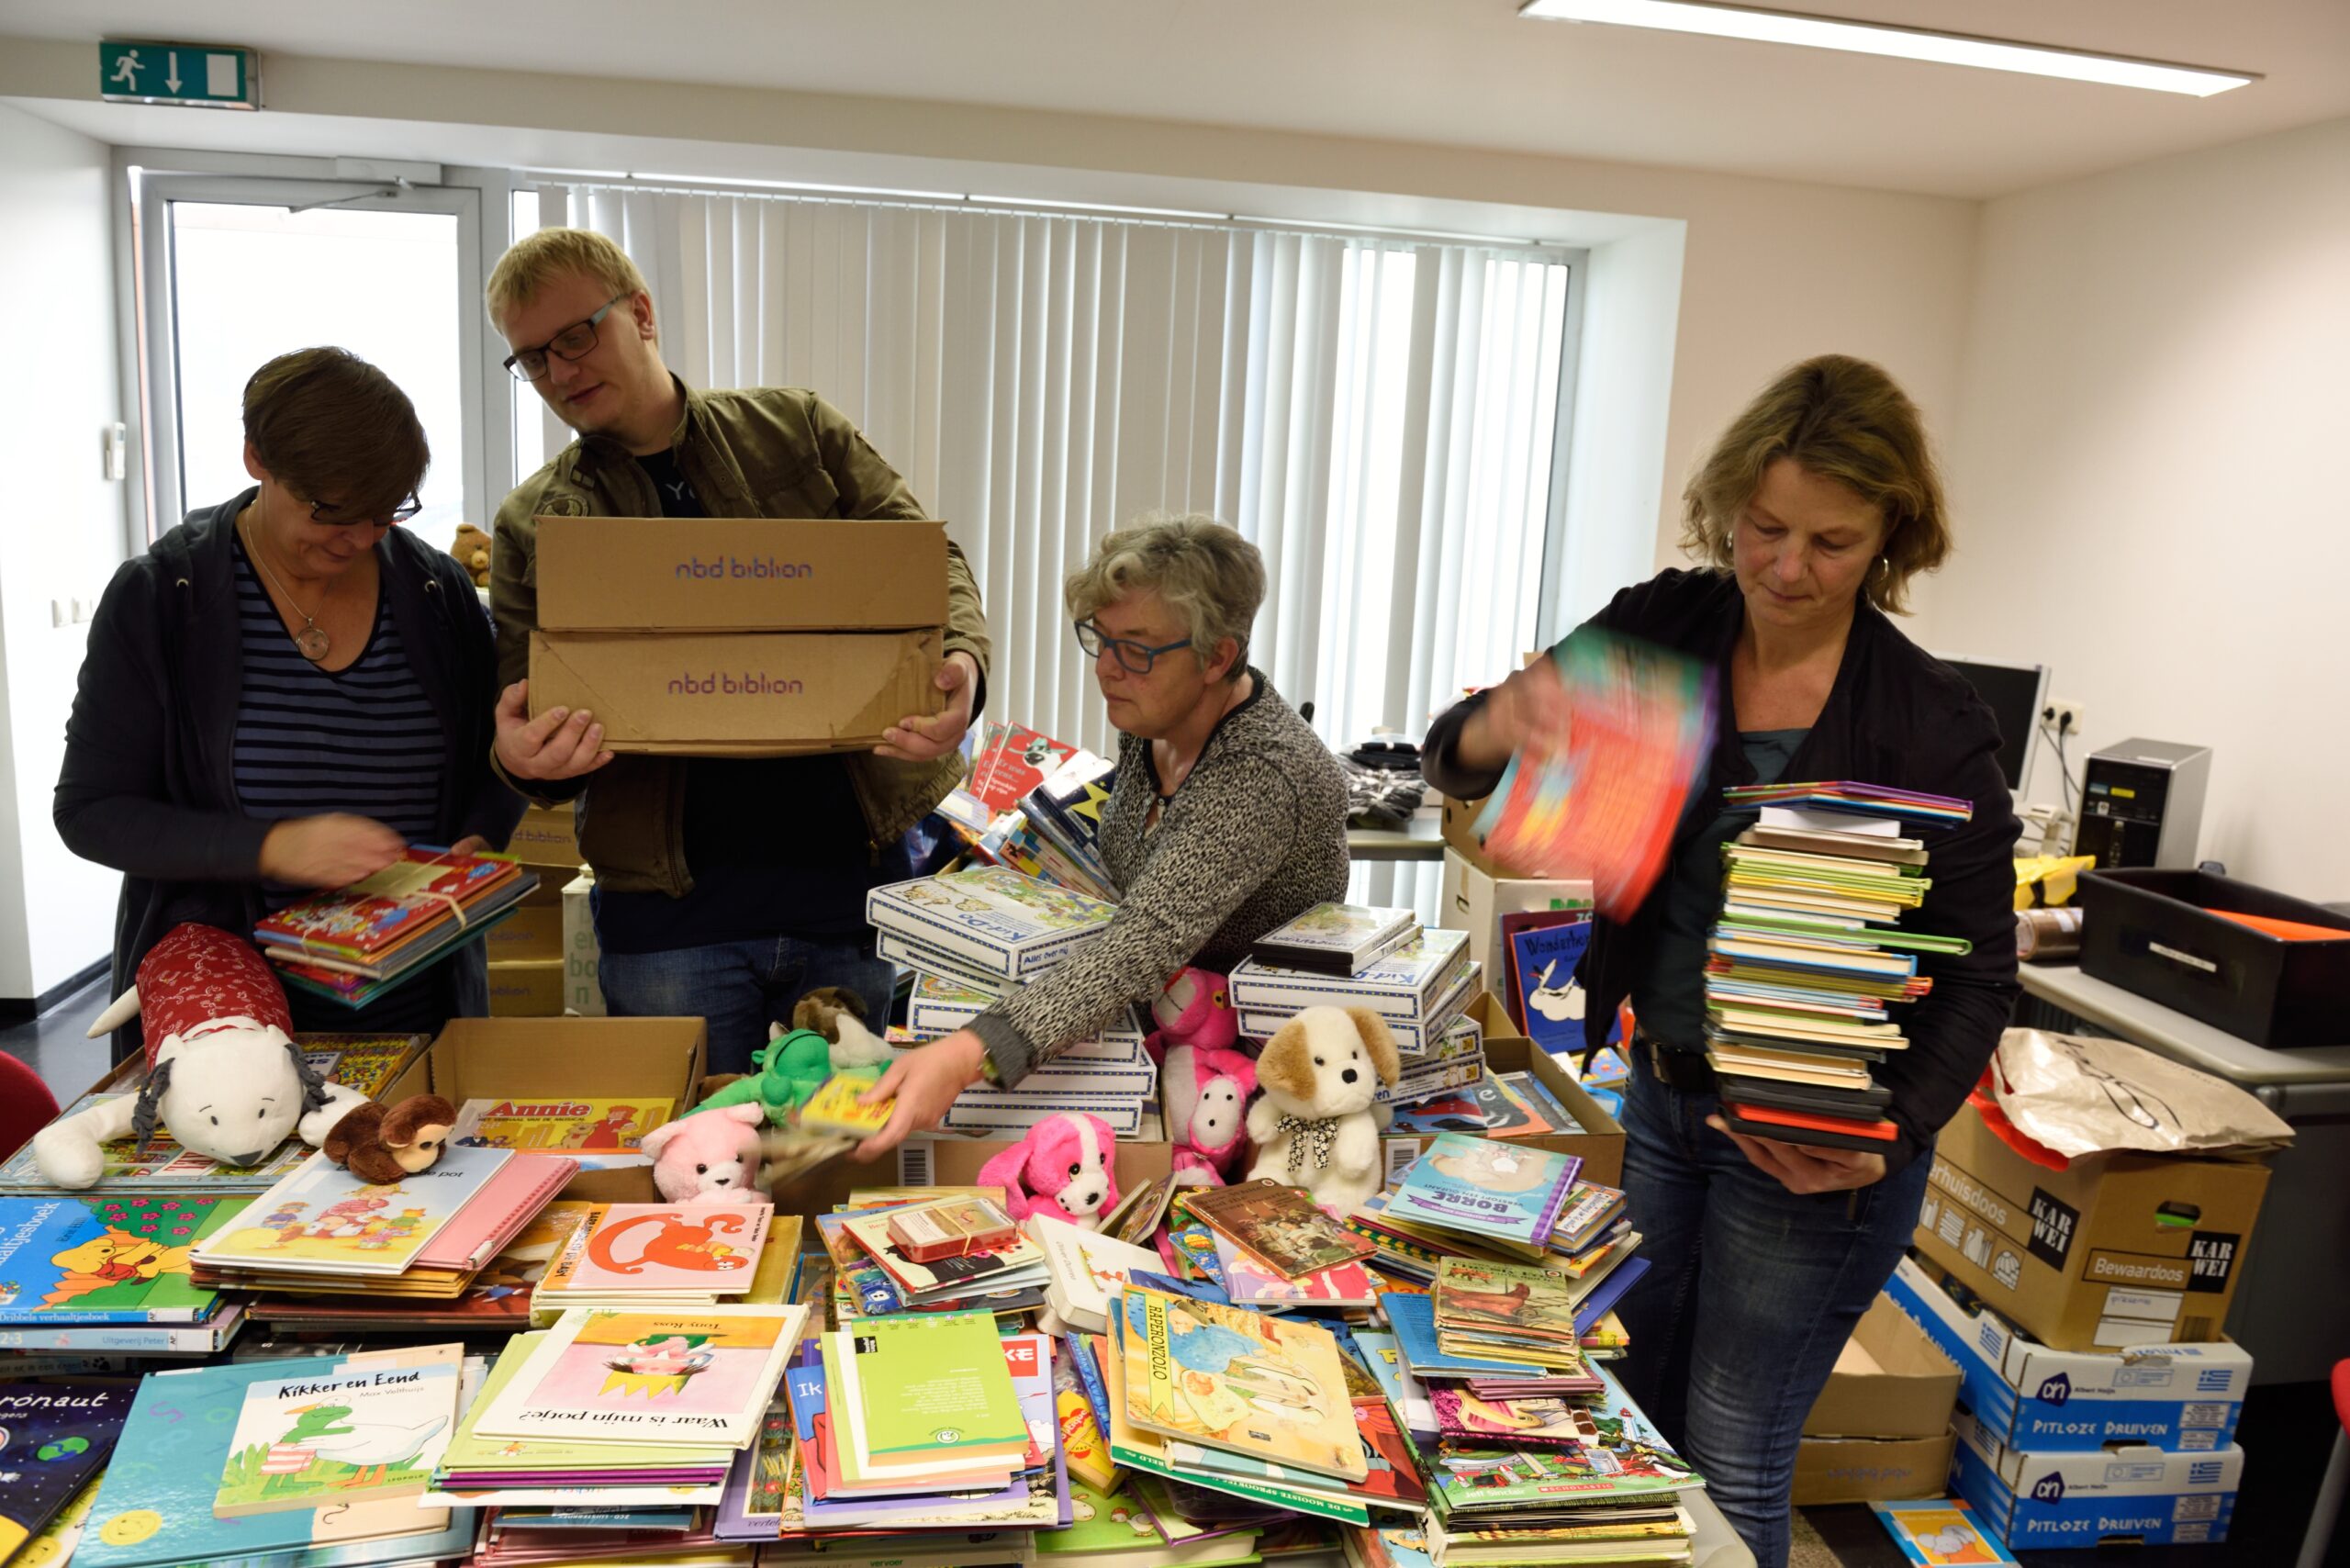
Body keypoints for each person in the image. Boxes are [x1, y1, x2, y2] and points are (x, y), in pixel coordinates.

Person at [1420, 355, 2019, 1568]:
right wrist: (1501, 723)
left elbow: (1981, 976)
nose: (1789, 569)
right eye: (1766, 528)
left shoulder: (1929, 722)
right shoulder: (1665, 624)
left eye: (1833, 542)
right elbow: (1455, 758)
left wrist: (1886, 1133)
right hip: (1664, 1099)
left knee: (1736, 1445)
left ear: (1893, 536)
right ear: (1730, 504)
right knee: (1629, 1409)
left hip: (1818, 1149)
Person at [482, 229, 992, 1075]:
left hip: (848, 894)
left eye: (576, 336)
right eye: (533, 359)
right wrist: (523, 757)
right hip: (667, 928)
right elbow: (526, 707)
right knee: (695, 1174)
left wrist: (964, 670)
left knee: (846, 1167)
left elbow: (925, 561)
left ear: (640, 313)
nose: (561, 372)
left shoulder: (796, 432)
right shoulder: (534, 521)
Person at [57, 347, 522, 1059]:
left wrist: (479, 835)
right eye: (333, 511)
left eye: (385, 511)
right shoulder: (162, 598)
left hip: (419, 1009)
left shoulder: (434, 593)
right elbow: (90, 812)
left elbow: (492, 760)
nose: (362, 537)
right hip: (229, 1028)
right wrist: (274, 846)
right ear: (256, 459)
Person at [856, 516, 1349, 1155]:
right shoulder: (1153, 719)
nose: (1109, 669)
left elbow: (1145, 939)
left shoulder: (1260, 772)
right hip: (1163, 1030)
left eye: (1138, 649)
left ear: (1218, 657)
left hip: (1255, 1079)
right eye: (1102, 638)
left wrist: (964, 1056)